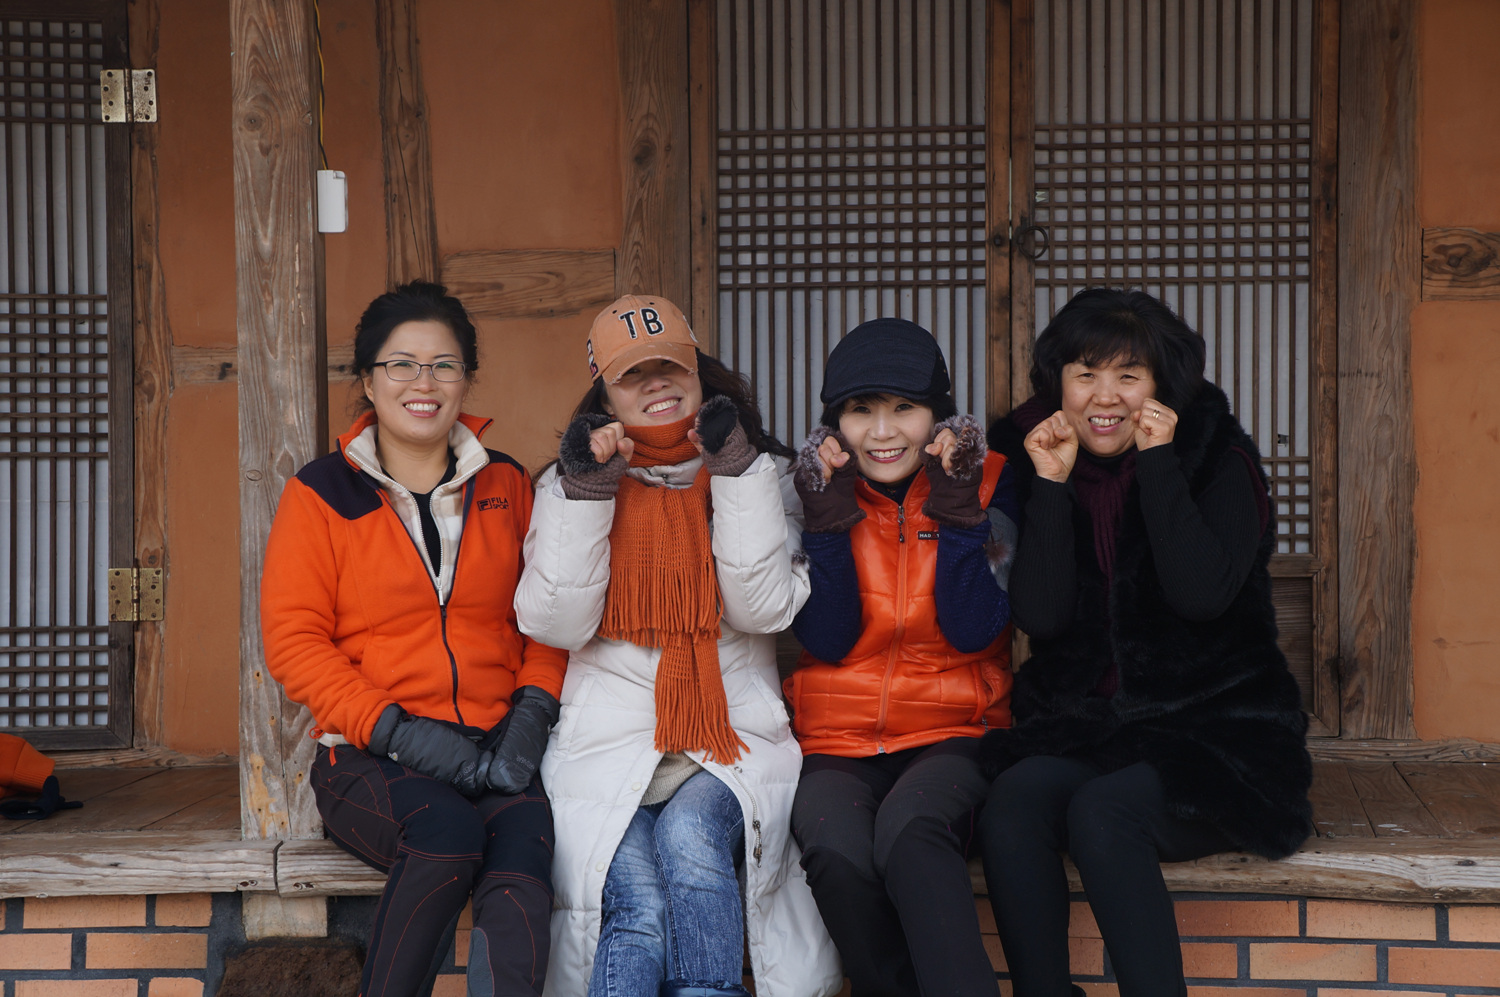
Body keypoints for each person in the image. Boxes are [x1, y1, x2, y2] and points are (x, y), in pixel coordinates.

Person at [978, 288, 1312, 997]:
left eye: (1128, 375)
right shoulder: (1030, 455)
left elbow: (1200, 595)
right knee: (1013, 799)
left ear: (1161, 385)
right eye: (1085, 374)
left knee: (1104, 812)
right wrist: (1051, 485)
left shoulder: (1217, 458)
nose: (1105, 397)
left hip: (1215, 731)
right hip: (1088, 727)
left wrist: (1160, 464)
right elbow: (1041, 615)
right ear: (1058, 382)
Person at [515, 295, 840, 997]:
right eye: (632, 375)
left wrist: (735, 473)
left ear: (698, 370)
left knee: (690, 842)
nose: (655, 384)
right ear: (605, 393)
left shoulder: (762, 470)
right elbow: (556, 623)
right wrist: (588, 491)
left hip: (731, 742)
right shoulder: (567, 481)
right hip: (607, 753)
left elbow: (762, 609)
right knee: (640, 906)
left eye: (669, 366)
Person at [260, 282, 568, 997]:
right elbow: (295, 642)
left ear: (466, 379)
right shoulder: (321, 493)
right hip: (370, 755)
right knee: (446, 834)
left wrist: (533, 710)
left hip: (497, 749)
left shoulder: (506, 483)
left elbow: (549, 617)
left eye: (443, 365)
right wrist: (396, 730)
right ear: (369, 381)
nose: (423, 383)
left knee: (523, 861)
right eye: (401, 364)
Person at [786, 318, 1017, 996]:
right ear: (835, 423)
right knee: (834, 848)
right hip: (837, 737)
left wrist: (957, 506)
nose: (882, 432)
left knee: (911, 833)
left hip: (955, 729)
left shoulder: (992, 482)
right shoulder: (813, 488)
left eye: (905, 408)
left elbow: (975, 628)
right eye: (861, 410)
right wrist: (826, 522)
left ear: (938, 416)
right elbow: (827, 639)